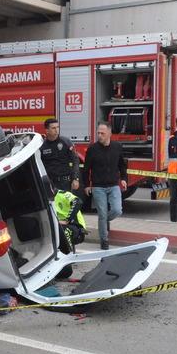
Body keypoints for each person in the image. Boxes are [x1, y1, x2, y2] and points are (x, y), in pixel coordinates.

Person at [82, 121, 127, 250]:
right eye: (98, 133)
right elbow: (86, 169)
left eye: (102, 133)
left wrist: (123, 178)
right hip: (98, 187)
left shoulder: (117, 147)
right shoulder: (92, 149)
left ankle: (103, 221)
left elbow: (122, 165)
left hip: (114, 185)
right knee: (102, 214)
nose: (99, 135)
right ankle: (104, 240)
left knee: (117, 210)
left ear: (109, 133)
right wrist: (87, 185)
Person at [53, 189, 87, 279]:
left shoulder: (62, 194)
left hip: (76, 227)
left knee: (64, 230)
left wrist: (67, 220)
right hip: (59, 226)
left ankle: (68, 257)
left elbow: (78, 201)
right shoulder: (45, 200)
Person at [40, 118, 80, 192]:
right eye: (53, 128)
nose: (56, 130)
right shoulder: (42, 146)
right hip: (50, 183)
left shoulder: (66, 142)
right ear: (47, 130)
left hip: (65, 182)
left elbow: (75, 161)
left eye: (57, 127)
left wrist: (75, 178)